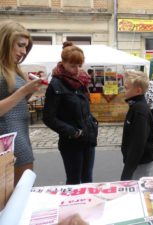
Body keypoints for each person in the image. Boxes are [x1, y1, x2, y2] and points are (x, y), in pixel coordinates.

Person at [43, 42, 98, 185]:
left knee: (88, 179)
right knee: (74, 182)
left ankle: (88, 207)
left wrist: (93, 123)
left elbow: (84, 109)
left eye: (79, 65)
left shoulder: (81, 81)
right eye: (73, 66)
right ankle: (73, 208)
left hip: (88, 138)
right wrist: (73, 132)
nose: (77, 70)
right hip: (71, 142)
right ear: (63, 63)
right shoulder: (55, 84)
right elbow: (48, 118)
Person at [0, 20, 44, 185]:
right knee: (12, 199)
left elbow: (16, 103)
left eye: (26, 47)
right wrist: (24, 90)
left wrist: (30, 89)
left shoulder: (13, 69)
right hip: (6, 143)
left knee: (20, 194)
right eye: (20, 45)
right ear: (5, 41)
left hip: (20, 136)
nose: (24, 52)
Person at [120, 70, 153, 181]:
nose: (124, 90)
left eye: (127, 88)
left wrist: (126, 173)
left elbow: (138, 145)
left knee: (137, 189)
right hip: (138, 160)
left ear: (138, 90)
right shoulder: (135, 106)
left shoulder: (139, 110)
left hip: (140, 162)